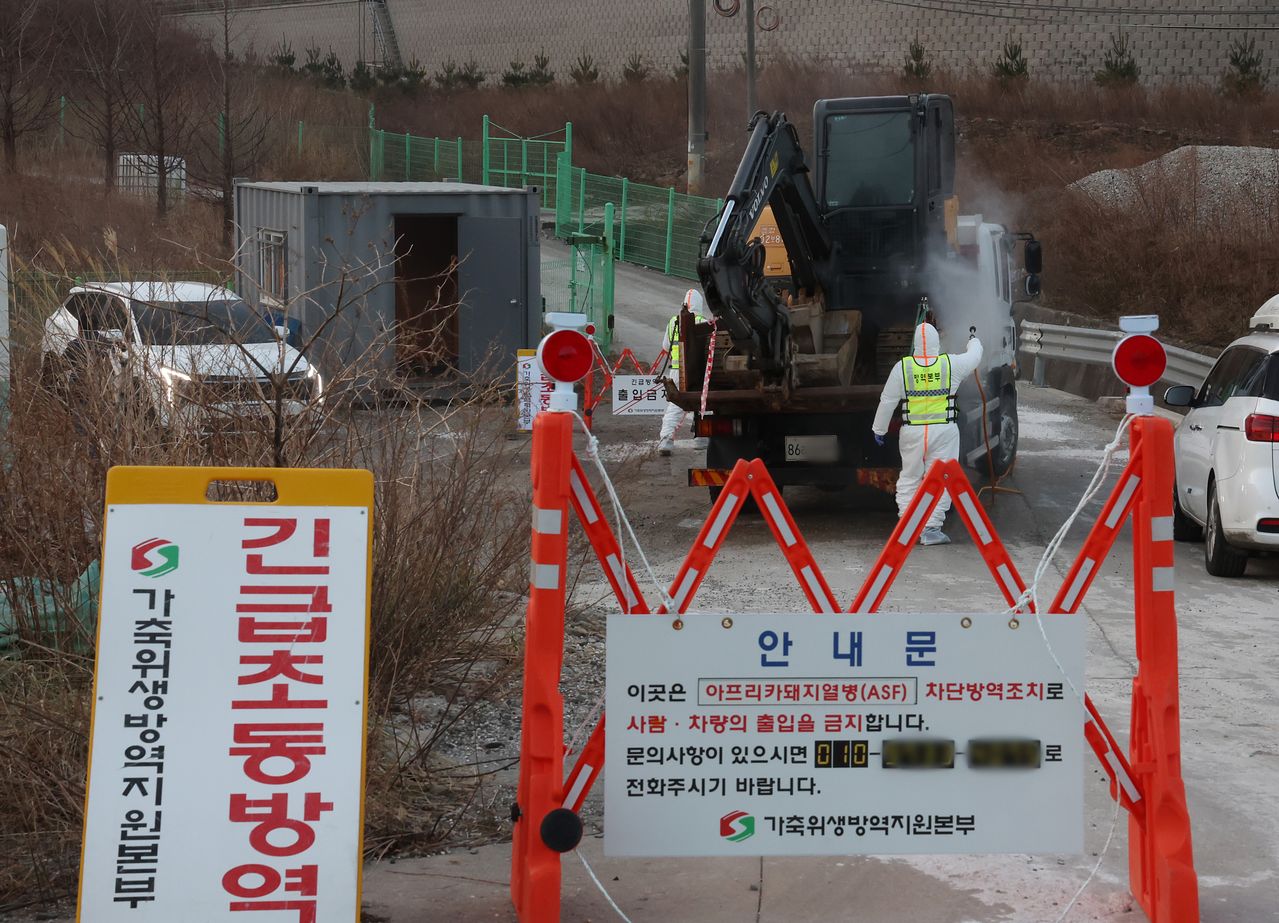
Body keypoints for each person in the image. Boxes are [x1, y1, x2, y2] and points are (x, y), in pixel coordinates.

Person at [872, 322, 983, 545]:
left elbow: (888, 400)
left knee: (910, 477)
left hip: (912, 432)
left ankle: (907, 526)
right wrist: (974, 341)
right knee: (941, 478)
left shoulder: (902, 368)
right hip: (944, 431)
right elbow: (975, 358)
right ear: (936, 343)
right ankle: (931, 528)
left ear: (914, 343)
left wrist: (879, 429)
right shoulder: (950, 364)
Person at [657, 288, 707, 456]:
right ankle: (701, 438)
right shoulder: (703, 321)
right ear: (700, 305)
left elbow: (665, 346)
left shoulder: (673, 321)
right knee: (704, 403)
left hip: (677, 371)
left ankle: (666, 440)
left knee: (675, 405)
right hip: (699, 372)